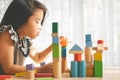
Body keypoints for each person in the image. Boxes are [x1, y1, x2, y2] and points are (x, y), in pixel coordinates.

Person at [0, 0, 53, 74]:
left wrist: (55, 45)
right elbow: (9, 68)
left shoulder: (24, 40)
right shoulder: (7, 34)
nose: (40, 27)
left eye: (41, 23)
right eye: (37, 22)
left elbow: (38, 57)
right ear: (21, 19)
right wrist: (39, 69)